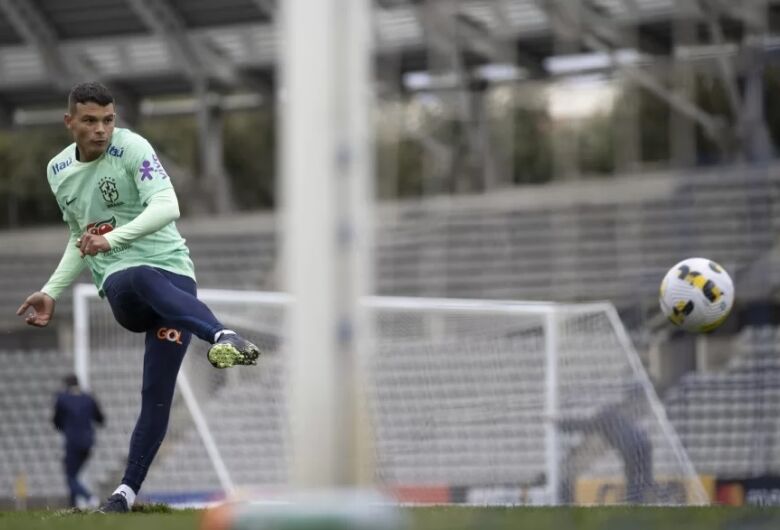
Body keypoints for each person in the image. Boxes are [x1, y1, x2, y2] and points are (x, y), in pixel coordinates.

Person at [16, 82, 263, 513]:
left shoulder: (132, 148)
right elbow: (80, 236)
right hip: (125, 287)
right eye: (90, 121)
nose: (101, 130)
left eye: (108, 120)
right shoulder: (58, 171)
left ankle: (124, 494)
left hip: (175, 280)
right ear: (69, 121)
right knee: (135, 275)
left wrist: (111, 241)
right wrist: (52, 291)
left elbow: (168, 206)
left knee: (157, 392)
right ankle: (220, 333)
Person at [558, 398, 654, 504]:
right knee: (643, 481)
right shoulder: (618, 417)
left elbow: (584, 425)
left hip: (632, 449)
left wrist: (560, 424)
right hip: (645, 445)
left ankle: (636, 505)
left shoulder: (604, 419)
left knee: (634, 483)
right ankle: (643, 504)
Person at [53, 373, 105, 509]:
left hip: (72, 442)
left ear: (66, 385)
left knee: (70, 476)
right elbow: (100, 419)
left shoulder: (62, 398)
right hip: (88, 442)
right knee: (73, 475)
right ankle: (73, 507)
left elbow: (56, 421)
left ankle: (90, 498)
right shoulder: (89, 398)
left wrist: (63, 427)